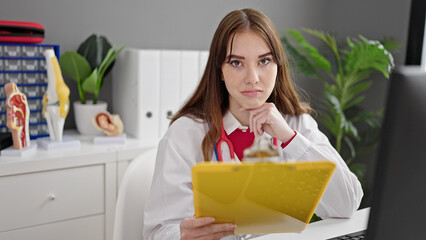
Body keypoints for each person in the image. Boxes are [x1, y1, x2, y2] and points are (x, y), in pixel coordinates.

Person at [143, 8, 363, 240]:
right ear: (220, 70)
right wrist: (181, 236)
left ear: (278, 66)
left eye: (264, 61)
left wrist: (290, 139)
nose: (253, 77)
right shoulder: (185, 134)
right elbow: (157, 232)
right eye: (237, 63)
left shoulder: (296, 123)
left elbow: (347, 204)